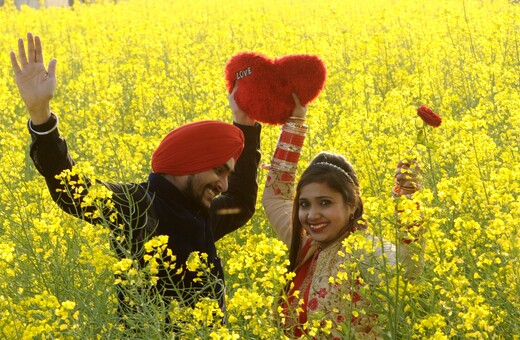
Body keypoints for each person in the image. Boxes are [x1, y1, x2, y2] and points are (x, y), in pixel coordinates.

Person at [10, 33, 262, 324]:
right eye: (219, 170)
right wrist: (40, 115)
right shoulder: (137, 205)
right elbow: (73, 192)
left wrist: (245, 123)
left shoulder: (202, 212)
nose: (224, 185)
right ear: (190, 162)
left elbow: (241, 202)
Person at [262, 97, 423, 338]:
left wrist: (407, 203)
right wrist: (295, 121)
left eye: (325, 203)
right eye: (304, 204)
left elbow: (407, 269)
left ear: (352, 206)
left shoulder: (366, 253)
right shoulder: (307, 246)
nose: (312, 215)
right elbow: (275, 197)